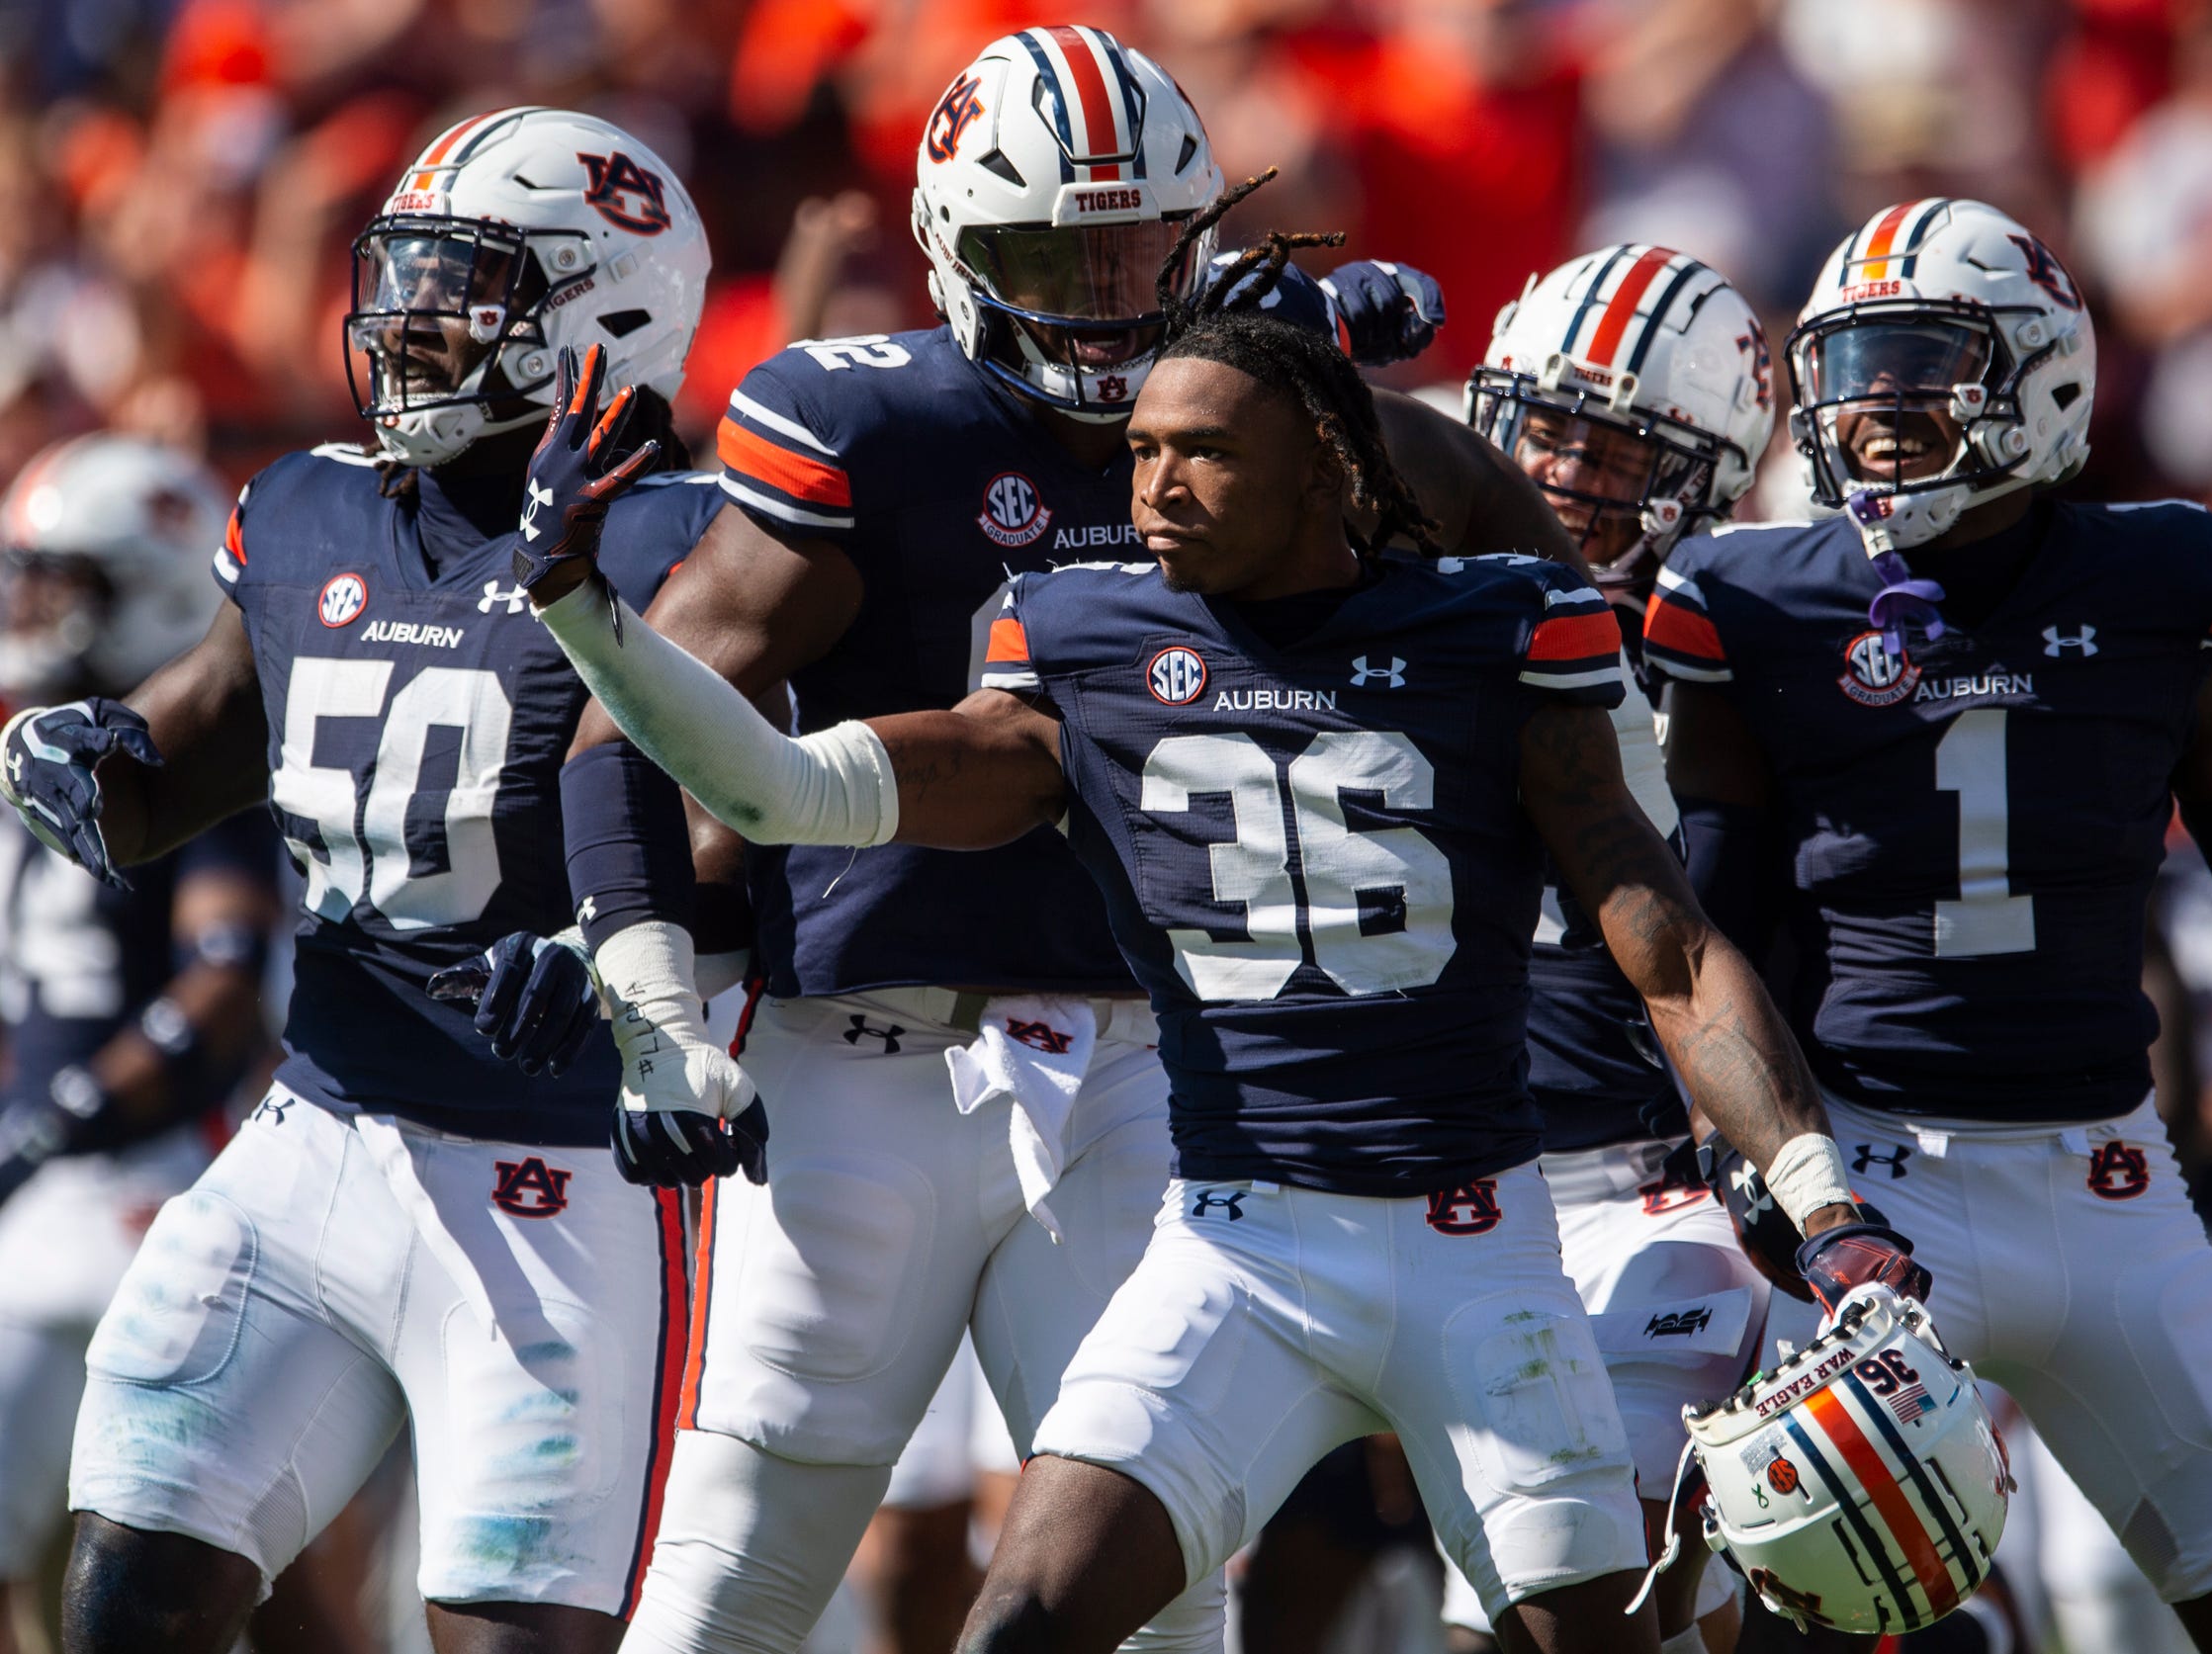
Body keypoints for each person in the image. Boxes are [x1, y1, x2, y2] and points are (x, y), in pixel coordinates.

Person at [515, 193, 1929, 1654]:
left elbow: (1672, 947)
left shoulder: (1502, 627)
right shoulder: (1083, 639)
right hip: (1237, 1240)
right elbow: (782, 783)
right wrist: (578, 607)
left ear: (1325, 463)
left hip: (1475, 1243)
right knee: (1026, 1624)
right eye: (1140, 451)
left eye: (1203, 454)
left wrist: (1820, 1194)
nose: (1153, 491)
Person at [529, 32, 1580, 1654]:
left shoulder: (1268, 416)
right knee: (742, 1553)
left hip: (1152, 1057)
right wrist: (654, 1002)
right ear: (955, 245)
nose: (1098, 301)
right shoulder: (870, 422)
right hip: (872, 1045)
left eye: (1135, 252)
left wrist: (1342, 407)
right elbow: (638, 723)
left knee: (1151, 1591)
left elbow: (1531, 565)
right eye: (1049, 257)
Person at [1643, 197, 2212, 1654]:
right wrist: (1748, 1169)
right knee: (1822, 1598)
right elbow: (1709, 933)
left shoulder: (2169, 580)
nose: (1870, 406)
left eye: (1913, 360)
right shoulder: (1754, 596)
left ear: (2041, 374)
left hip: (2113, 1183)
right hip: (1875, 1187)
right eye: (1850, 364)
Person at [0, 110, 719, 1654]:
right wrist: (75, 752)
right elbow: (170, 771)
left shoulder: (684, 540)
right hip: (313, 1133)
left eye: (462, 285)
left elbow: (757, 820)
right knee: (131, 1593)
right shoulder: (314, 505)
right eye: (401, 276)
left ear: (601, 309)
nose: (407, 320)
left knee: (506, 1635)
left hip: (560, 1178)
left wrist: (630, 943)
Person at [1441, 244, 1780, 1654]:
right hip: (1421, 1176)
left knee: (1563, 1601)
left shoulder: (1734, 656)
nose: (1567, 473)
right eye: (1548, 428)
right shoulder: (1407, 610)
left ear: (1703, 474)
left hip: (1654, 1183)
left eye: (1617, 449)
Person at [0, 437, 284, 1652]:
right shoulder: (34, 752)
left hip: (148, 1188)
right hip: (49, 1198)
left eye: (70, 579)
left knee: (193, 1582)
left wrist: (57, 1116)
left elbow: (225, 990)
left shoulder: (185, 771)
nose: (34, 606)